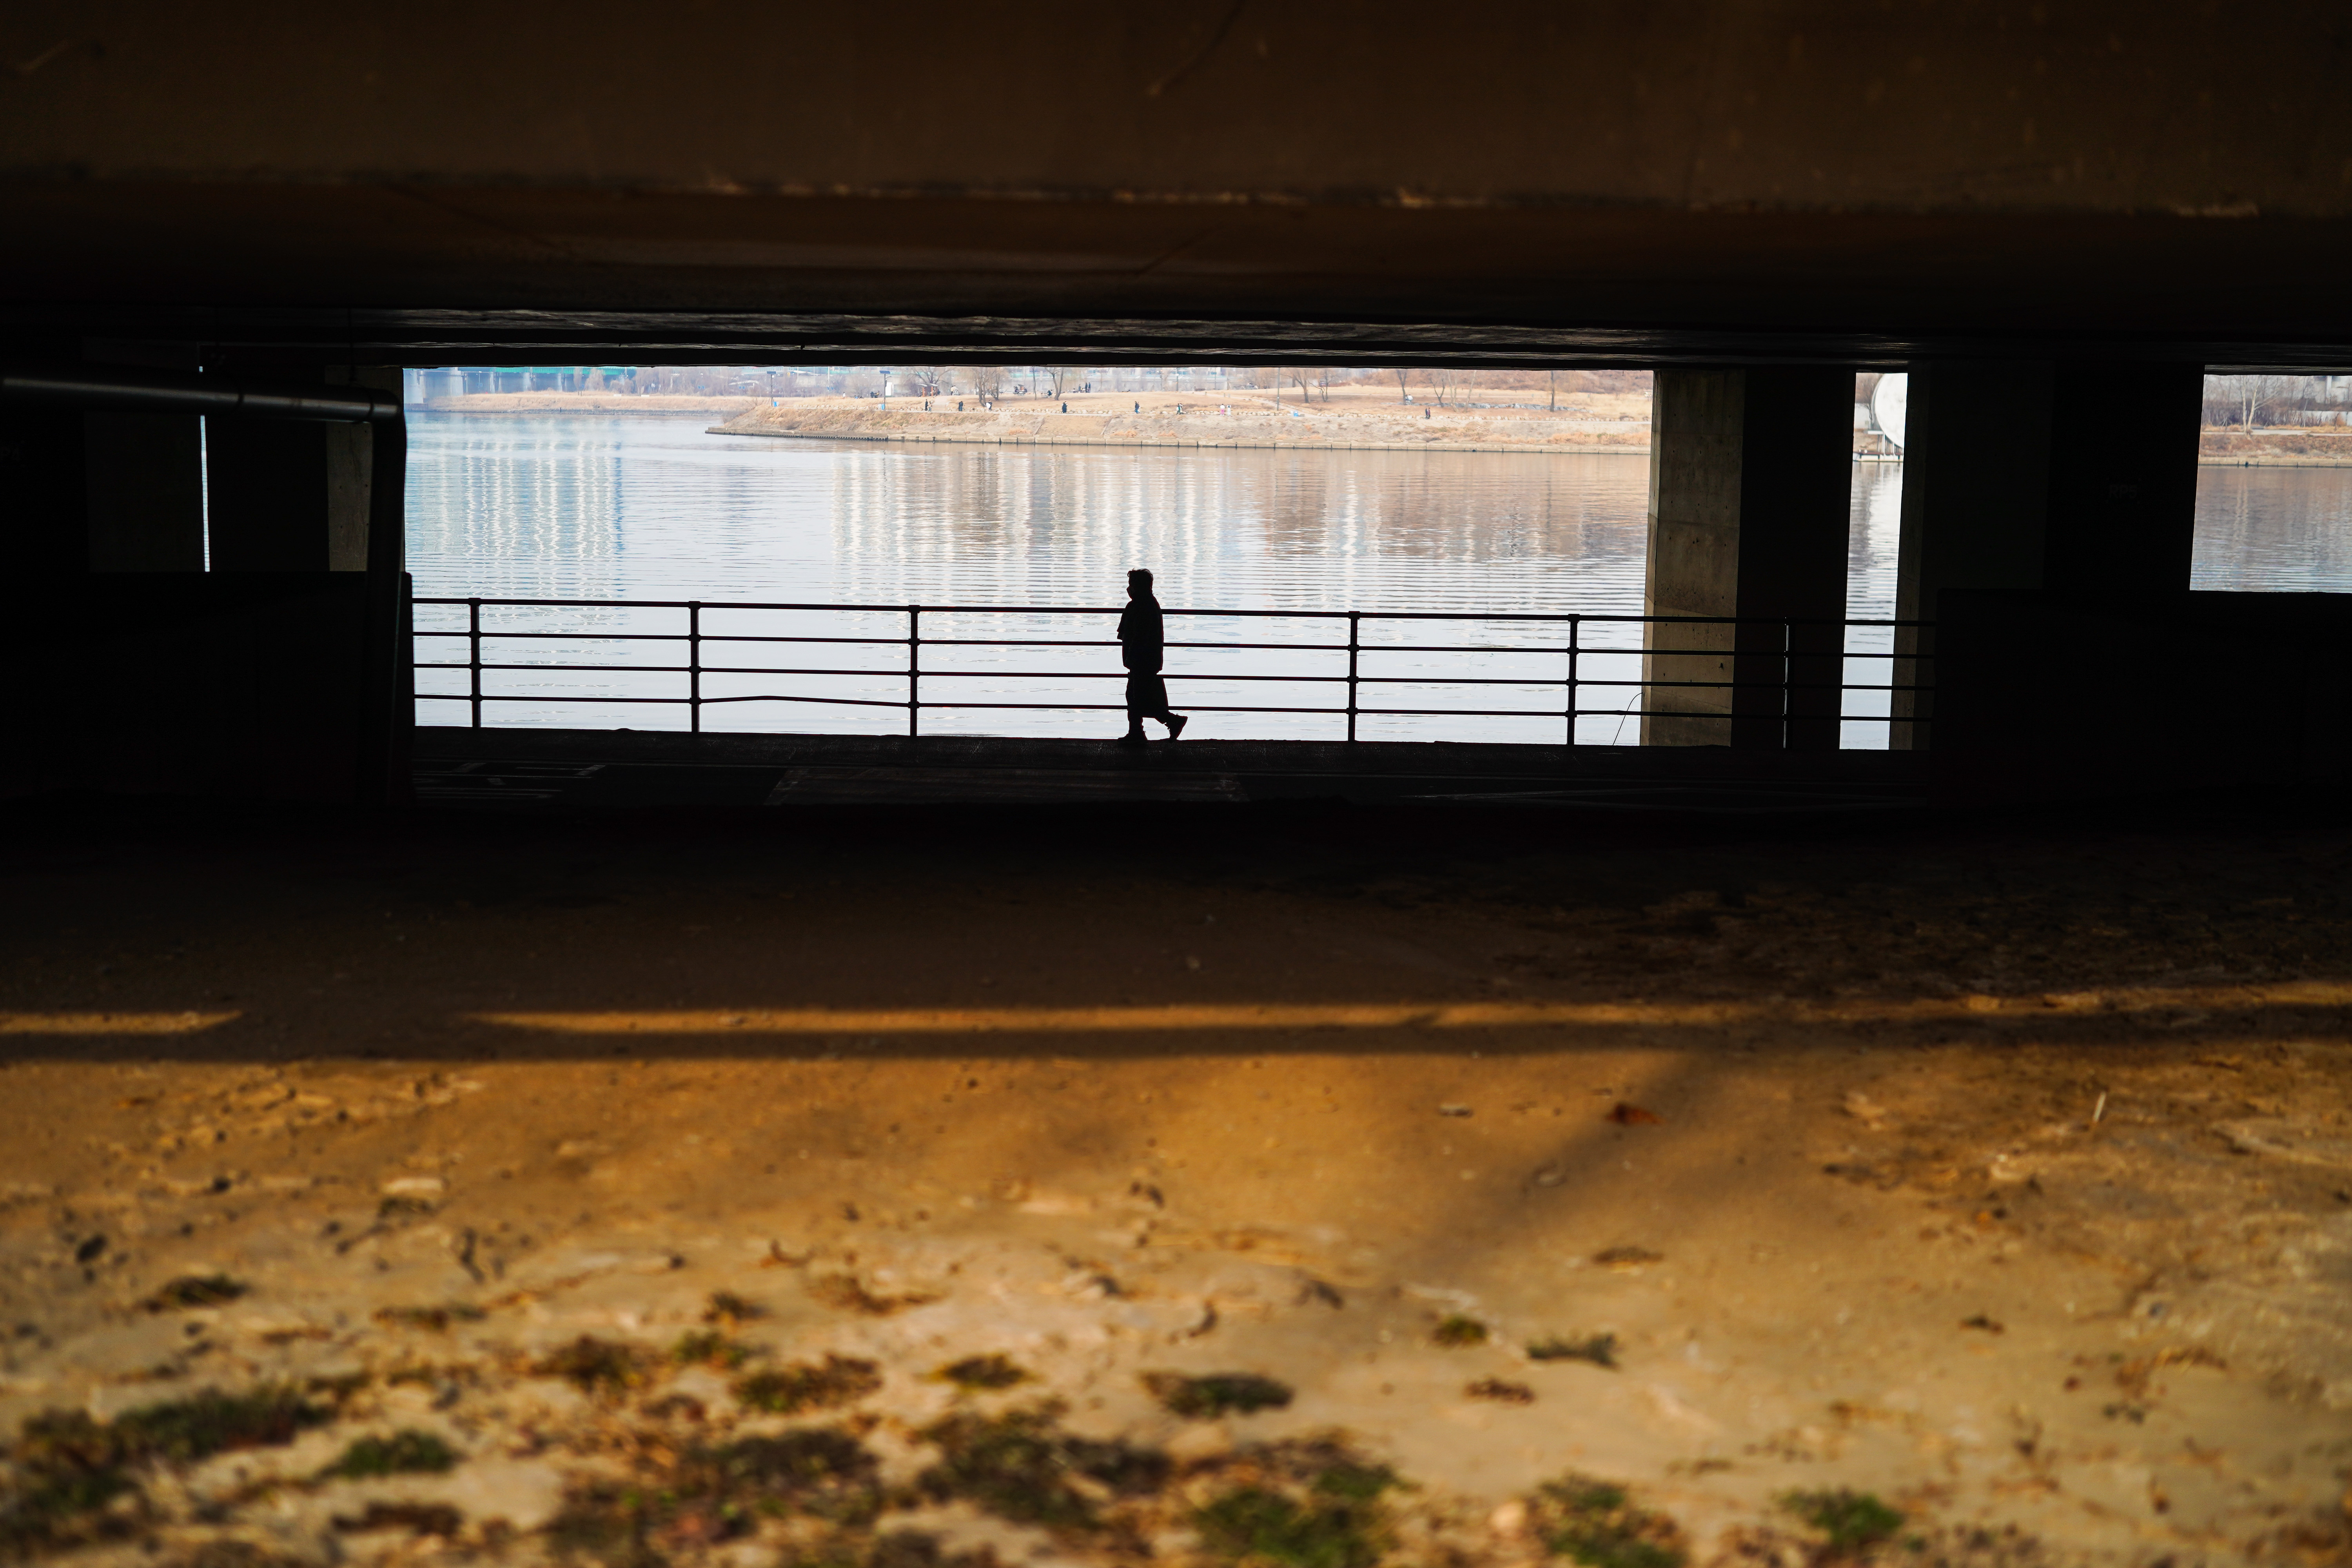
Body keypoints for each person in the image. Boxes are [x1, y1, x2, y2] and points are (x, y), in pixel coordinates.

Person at [1116, 568, 1187, 746]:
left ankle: (1170, 721)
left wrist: (1131, 658)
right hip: (1147, 660)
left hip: (1140, 661)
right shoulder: (1150, 604)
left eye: (1131, 585)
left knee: (1138, 698)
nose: (1129, 589)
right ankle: (1138, 731)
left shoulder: (1139, 606)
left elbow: (1135, 636)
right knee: (1136, 696)